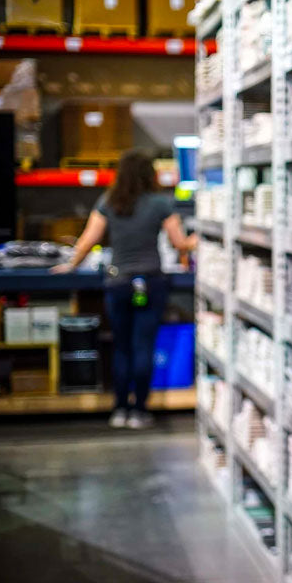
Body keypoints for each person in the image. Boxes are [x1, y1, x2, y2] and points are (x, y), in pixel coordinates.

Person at [53, 149, 197, 429]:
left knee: (122, 346)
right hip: (151, 282)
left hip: (118, 282)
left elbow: (87, 240)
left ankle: (119, 409)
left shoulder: (109, 201)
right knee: (143, 346)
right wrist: (199, 240)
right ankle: (140, 411)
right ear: (149, 174)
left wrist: (70, 266)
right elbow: (180, 243)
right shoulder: (160, 204)